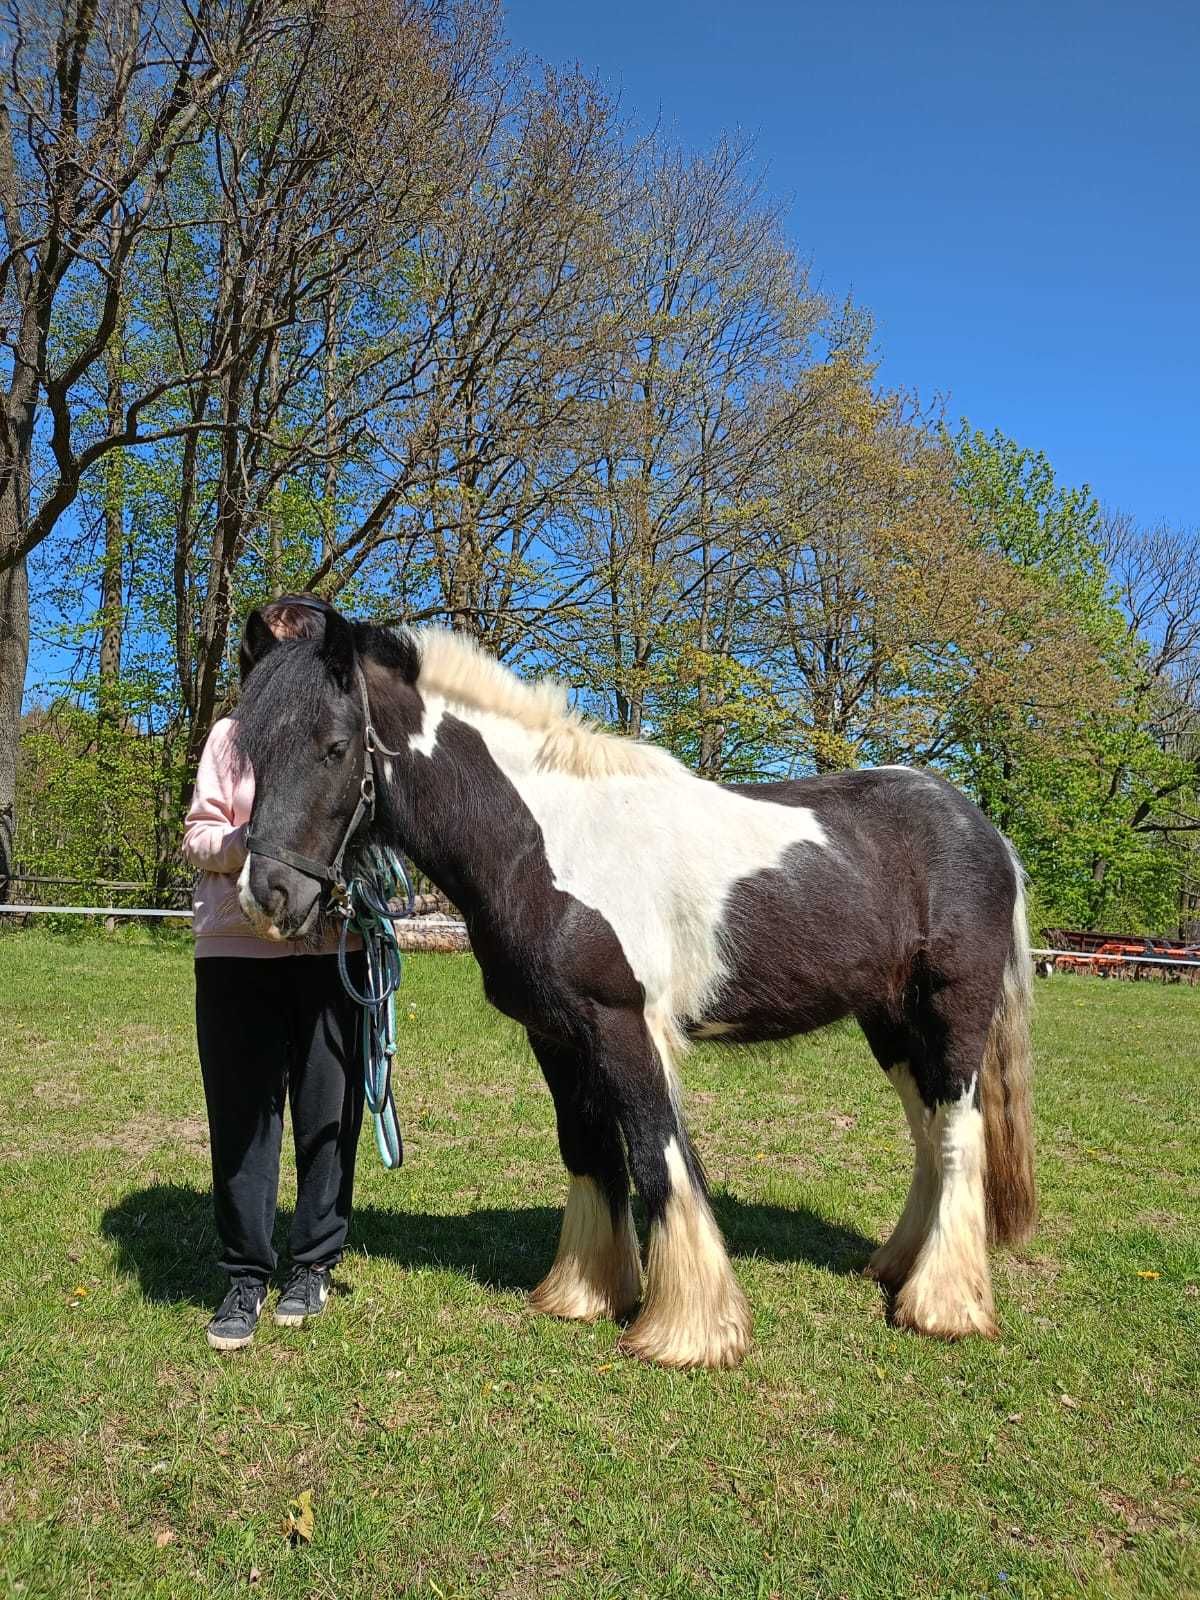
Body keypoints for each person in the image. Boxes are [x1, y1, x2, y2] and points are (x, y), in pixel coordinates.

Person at [182, 595, 366, 1351]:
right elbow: (198, 836)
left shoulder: (342, 736)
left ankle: (314, 1263)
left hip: (330, 954)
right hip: (237, 951)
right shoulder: (229, 738)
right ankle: (245, 1275)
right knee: (242, 1118)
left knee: (329, 1113)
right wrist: (251, 844)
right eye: (271, 651)